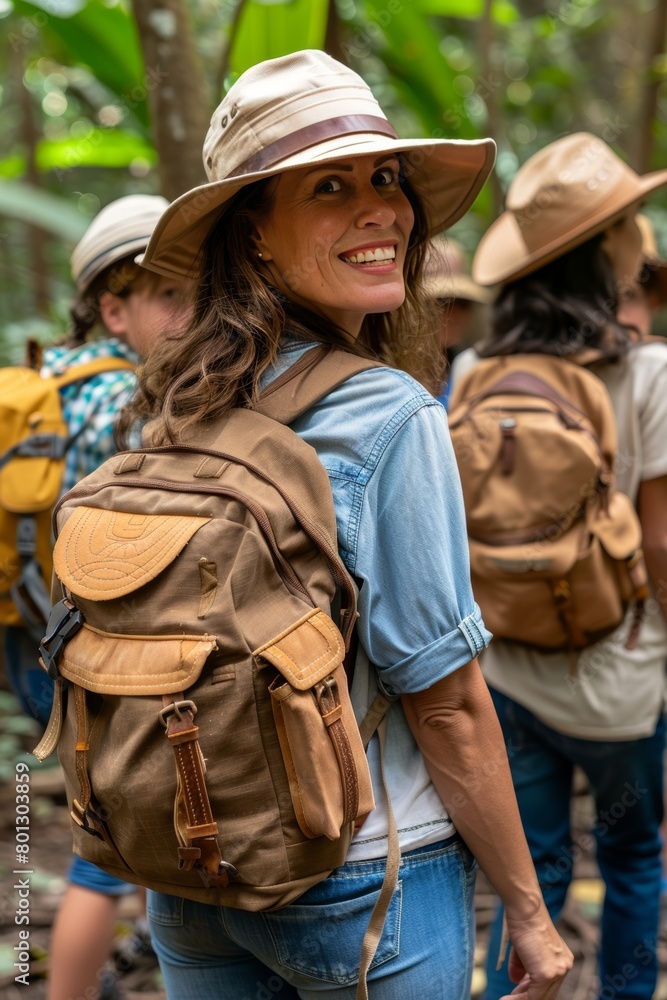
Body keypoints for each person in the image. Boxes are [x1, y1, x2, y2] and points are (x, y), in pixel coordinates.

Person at [123, 50, 573, 1000]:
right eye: (329, 187)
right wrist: (529, 914)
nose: (381, 210)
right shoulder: (389, 413)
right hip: (360, 875)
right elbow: (444, 705)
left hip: (191, 873)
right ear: (252, 233)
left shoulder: (175, 403)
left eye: (385, 178)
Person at [450, 132, 667, 1000]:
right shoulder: (648, 372)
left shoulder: (475, 368)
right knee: (632, 855)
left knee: (528, 872)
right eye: (630, 220)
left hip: (504, 665)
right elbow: (658, 543)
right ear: (606, 245)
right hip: (619, 677)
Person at [2, 194, 192, 1000]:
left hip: (31, 632)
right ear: (113, 310)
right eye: (168, 295)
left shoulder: (52, 377)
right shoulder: (125, 405)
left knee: (130, 813)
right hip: (86, 651)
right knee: (104, 844)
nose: (191, 313)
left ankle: (143, 950)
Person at [422, 236, 491, 407]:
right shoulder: (391, 372)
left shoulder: (469, 365)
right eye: (442, 302)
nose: (454, 313)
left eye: (462, 303)